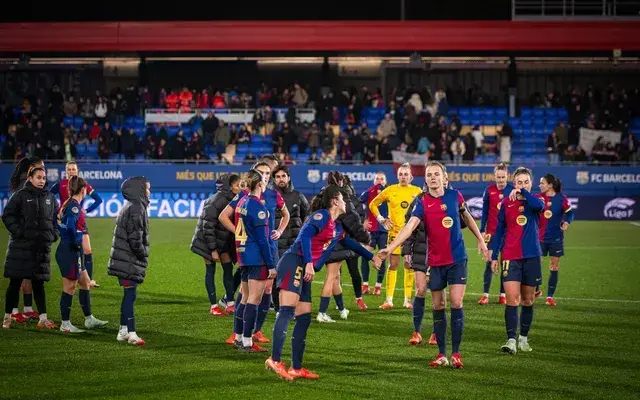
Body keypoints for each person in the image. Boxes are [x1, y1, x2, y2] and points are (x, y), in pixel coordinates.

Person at [378, 161, 489, 368]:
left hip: (457, 259)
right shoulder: (422, 202)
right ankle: (441, 354)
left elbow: (468, 217)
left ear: (444, 177)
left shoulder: (455, 196)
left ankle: (456, 354)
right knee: (439, 305)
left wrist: (481, 241)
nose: (432, 178)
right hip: (435, 262)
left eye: (436, 174)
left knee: (456, 302)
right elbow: (409, 227)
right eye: (429, 175)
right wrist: (391, 247)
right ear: (426, 179)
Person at [265, 186, 382, 380]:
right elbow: (304, 236)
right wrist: (309, 262)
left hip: (305, 270)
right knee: (287, 310)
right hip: (295, 263)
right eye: (343, 199)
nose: (346, 202)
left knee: (304, 318)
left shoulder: (336, 227)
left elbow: (349, 243)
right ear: (335, 200)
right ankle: (275, 360)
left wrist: (371, 257)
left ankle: (296, 367)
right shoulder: (321, 216)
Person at [219, 161, 289, 344]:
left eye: (268, 173)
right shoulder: (247, 197)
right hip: (258, 250)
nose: (265, 176)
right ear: (256, 177)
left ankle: (253, 332)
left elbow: (286, 215)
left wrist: (280, 231)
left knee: (264, 290)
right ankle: (242, 336)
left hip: (265, 248)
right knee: (249, 295)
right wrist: (240, 233)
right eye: (262, 173)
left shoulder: (273, 195)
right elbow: (223, 216)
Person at [490, 167, 545, 354]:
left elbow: (539, 207)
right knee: (512, 299)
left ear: (531, 183)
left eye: (526, 182)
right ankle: (511, 340)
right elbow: (499, 231)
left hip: (531, 256)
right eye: (519, 182)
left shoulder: (536, 200)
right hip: (510, 256)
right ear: (514, 184)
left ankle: (523, 338)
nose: (523, 185)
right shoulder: (506, 203)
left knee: (528, 300)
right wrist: (494, 256)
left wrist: (523, 193)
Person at [2, 166, 58, 329]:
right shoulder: (20, 196)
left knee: (38, 283)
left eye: (43, 178)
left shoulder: (50, 197)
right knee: (14, 283)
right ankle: (7, 318)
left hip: (40, 249)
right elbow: (7, 215)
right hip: (20, 248)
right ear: (30, 179)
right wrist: (19, 232)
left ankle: (43, 319)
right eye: (38, 177)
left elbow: (55, 219)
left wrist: (53, 235)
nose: (42, 180)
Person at [230, 169, 277, 352]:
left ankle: (239, 337)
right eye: (264, 180)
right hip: (256, 258)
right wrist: (271, 265)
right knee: (253, 300)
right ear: (259, 184)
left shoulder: (242, 201)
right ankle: (248, 342)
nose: (265, 183)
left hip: (243, 255)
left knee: (244, 298)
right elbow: (262, 240)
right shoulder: (258, 207)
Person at [56, 175, 109, 333]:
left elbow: (58, 222)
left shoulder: (70, 204)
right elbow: (71, 226)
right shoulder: (74, 207)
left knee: (85, 282)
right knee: (70, 287)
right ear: (83, 190)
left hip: (73, 250)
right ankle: (65, 324)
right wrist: (73, 241)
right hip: (69, 251)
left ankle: (89, 319)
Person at [317, 172, 371, 321]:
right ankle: (322, 312)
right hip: (338, 241)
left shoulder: (321, 196)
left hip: (325, 241)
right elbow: (353, 220)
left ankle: (341, 309)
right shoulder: (341, 197)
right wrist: (365, 238)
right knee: (331, 277)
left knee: (335, 277)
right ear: (340, 182)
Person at [369, 163, 422, 309]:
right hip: (394, 233)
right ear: (397, 176)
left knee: (408, 264)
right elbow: (373, 204)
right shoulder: (390, 190)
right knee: (393, 265)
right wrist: (381, 219)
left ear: (411, 177)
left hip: (411, 235)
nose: (403, 177)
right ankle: (389, 300)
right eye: (400, 174)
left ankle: (407, 300)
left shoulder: (417, 191)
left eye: (406, 174)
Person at [107, 176, 151, 346]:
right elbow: (135, 239)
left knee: (128, 295)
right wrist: (143, 254)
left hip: (125, 259)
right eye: (147, 188)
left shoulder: (132, 206)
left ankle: (123, 330)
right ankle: (131, 333)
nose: (149, 191)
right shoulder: (136, 208)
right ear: (139, 190)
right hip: (128, 260)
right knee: (130, 295)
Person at [190, 173, 241, 316]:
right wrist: (213, 250)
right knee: (210, 270)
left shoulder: (235, 200)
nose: (240, 187)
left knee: (228, 269)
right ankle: (213, 306)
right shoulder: (215, 201)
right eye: (237, 185)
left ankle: (230, 303)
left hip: (222, 240)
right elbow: (207, 227)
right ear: (229, 187)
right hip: (206, 242)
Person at [51, 161, 104, 288]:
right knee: (70, 248)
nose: (71, 171)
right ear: (65, 171)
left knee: (87, 250)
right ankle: (71, 277)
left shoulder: (82, 184)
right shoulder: (60, 184)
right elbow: (47, 197)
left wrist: (86, 210)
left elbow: (98, 199)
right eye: (68, 169)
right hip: (66, 220)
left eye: (73, 169)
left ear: (77, 171)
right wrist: (56, 211)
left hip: (79, 220)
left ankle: (88, 280)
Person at [6, 156, 45, 321]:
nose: (42, 169)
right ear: (31, 169)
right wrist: (20, 231)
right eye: (40, 167)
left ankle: (27, 308)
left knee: (28, 275)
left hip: (28, 238)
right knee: (19, 275)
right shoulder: (24, 188)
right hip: (21, 239)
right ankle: (14, 311)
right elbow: (10, 214)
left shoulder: (28, 185)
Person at [272, 165, 310, 312]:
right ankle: (277, 309)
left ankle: (296, 308)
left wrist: (302, 232)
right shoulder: (270, 196)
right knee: (277, 278)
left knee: (296, 278)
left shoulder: (298, 196)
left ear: (288, 177)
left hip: (294, 245)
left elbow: (307, 215)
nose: (280, 179)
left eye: (283, 176)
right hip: (277, 245)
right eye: (277, 177)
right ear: (274, 179)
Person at [478, 163, 514, 305]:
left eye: (503, 177)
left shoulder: (513, 191)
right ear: (494, 177)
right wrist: (482, 230)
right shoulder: (489, 191)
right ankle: (485, 295)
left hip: (508, 234)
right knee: (488, 263)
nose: (500, 180)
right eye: (498, 177)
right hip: (492, 233)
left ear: (507, 176)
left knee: (504, 264)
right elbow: (485, 212)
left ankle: (502, 295)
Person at [536, 173, 574, 307]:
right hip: (539, 238)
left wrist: (567, 222)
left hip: (555, 239)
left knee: (554, 267)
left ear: (550, 185)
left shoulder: (562, 199)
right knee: (534, 265)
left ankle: (550, 297)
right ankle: (536, 289)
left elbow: (570, 213)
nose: (539, 185)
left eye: (542, 183)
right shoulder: (538, 198)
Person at [360, 172, 389, 296]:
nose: (379, 181)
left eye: (382, 179)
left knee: (382, 257)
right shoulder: (368, 192)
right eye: (377, 178)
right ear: (373, 181)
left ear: (385, 181)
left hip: (384, 230)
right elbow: (358, 203)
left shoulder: (389, 192)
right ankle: (365, 284)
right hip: (371, 230)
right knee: (364, 255)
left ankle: (378, 286)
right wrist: (363, 220)